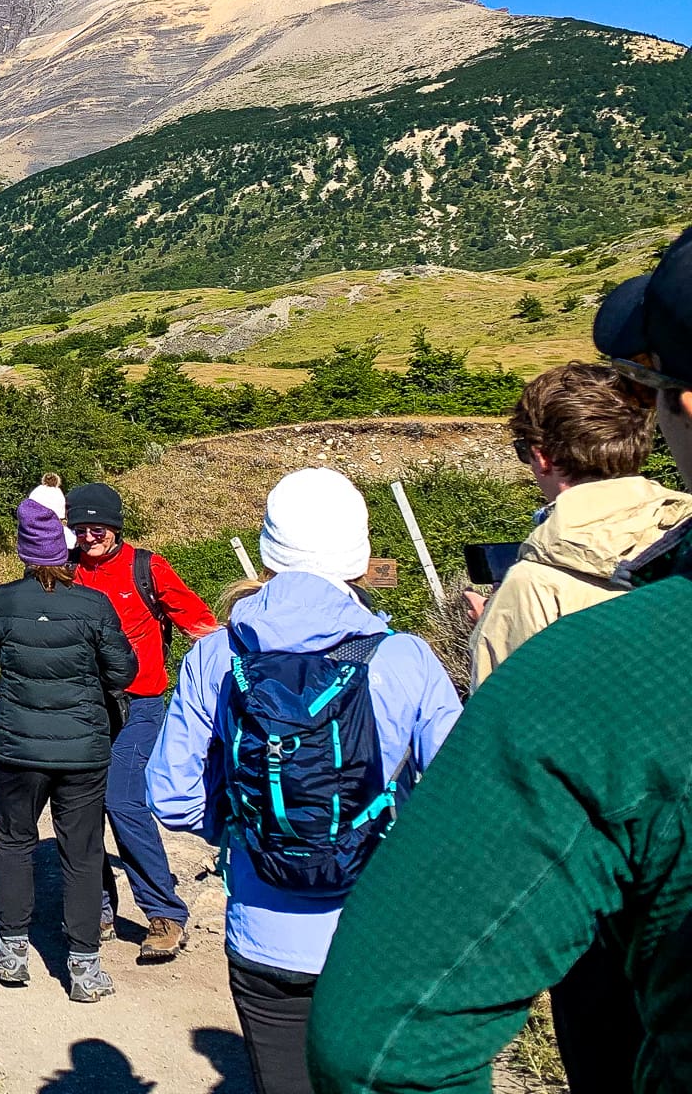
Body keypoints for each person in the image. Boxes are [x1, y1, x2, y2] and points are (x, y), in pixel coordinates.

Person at [308, 232, 692, 1094]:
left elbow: (379, 1048)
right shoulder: (674, 539)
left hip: (600, 919)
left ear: (542, 457)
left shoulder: (535, 590)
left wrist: (499, 630)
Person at [147, 467, 460, 1094]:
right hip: (380, 934)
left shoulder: (218, 654)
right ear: (360, 556)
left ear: (266, 549)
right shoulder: (403, 657)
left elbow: (170, 796)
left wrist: (246, 827)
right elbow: (462, 803)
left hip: (265, 935)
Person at [0, 497, 139, 1002]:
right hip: (83, 749)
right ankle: (84, 969)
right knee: (83, 852)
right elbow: (123, 671)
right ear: (64, 553)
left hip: (19, 748)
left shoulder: (0, 600)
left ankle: (12, 953)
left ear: (24, 552)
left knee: (13, 842)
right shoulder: (92, 604)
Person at [64, 481, 218, 962]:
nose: (89, 537)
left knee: (123, 799)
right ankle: (100, 908)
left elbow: (200, 622)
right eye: (80, 528)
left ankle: (165, 914)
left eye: (98, 528)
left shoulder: (146, 567)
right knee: (81, 807)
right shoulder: (65, 572)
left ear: (115, 527)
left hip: (143, 702)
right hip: (86, 706)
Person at [470, 360, 688, 686]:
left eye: (523, 451)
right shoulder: (685, 537)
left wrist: (498, 618)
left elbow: (499, 730)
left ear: (542, 457)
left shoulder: (533, 587)